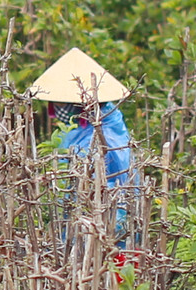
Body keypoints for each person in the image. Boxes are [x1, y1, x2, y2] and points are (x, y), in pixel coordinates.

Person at [30, 47, 135, 243]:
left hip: (103, 222)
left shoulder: (104, 133)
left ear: (80, 105)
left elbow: (105, 186)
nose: (58, 110)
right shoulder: (76, 129)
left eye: (61, 104)